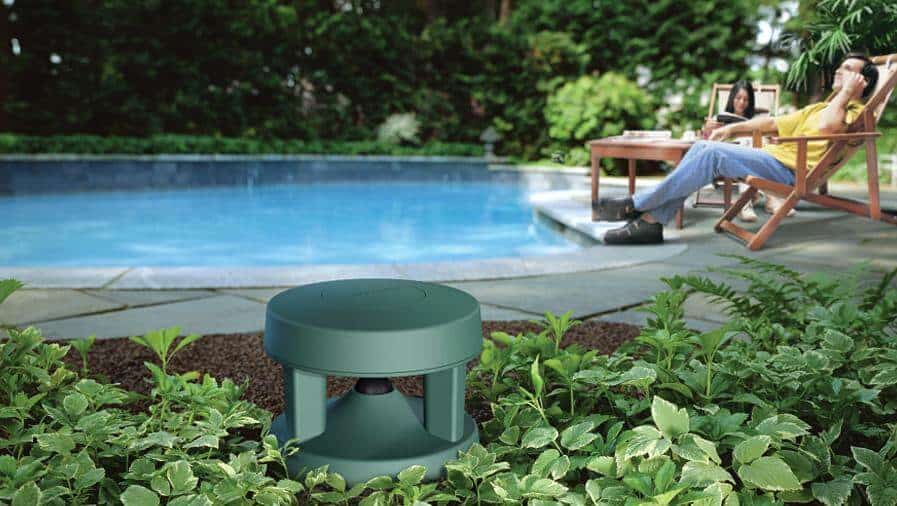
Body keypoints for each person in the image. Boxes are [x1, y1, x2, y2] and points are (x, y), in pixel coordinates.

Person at [594, 53, 879, 245]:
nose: (839, 71)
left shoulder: (854, 112)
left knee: (712, 154)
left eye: (848, 69)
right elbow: (773, 122)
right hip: (772, 159)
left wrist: (846, 94)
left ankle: (638, 203)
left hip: (791, 172)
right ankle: (650, 222)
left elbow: (829, 130)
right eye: (840, 66)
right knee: (704, 146)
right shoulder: (820, 107)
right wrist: (731, 129)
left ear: (862, 82)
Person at [701, 80, 765, 222]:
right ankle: (747, 204)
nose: (741, 102)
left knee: (748, 145)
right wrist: (707, 129)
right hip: (724, 158)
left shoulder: (756, 120)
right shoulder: (720, 116)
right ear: (732, 98)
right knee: (745, 147)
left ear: (750, 102)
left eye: (746, 99)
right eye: (738, 98)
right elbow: (706, 141)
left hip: (747, 158)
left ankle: (745, 203)